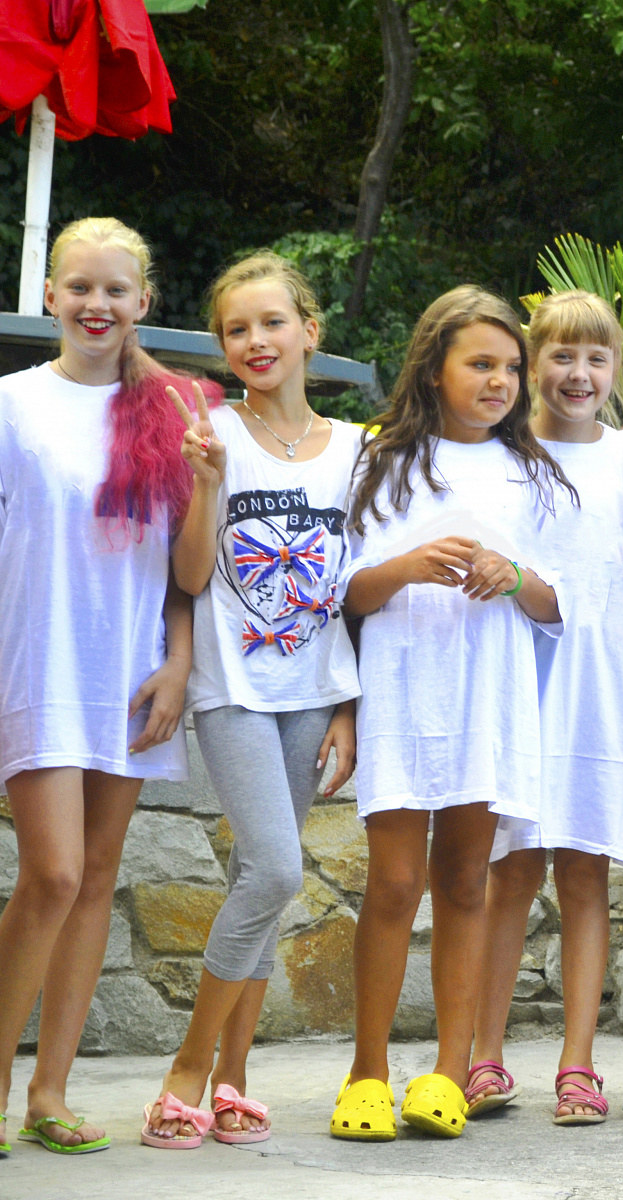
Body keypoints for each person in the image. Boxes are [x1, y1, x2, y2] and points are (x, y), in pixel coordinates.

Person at [329, 285, 573, 1141]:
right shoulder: (377, 463)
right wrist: (405, 567)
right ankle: (365, 1073)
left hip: (489, 694)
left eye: (511, 367)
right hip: (403, 688)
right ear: (434, 369)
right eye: (481, 364)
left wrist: (513, 576)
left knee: (467, 880)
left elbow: (556, 602)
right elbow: (347, 591)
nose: (500, 381)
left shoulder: (533, 469)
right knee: (395, 882)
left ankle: (447, 1069)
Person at [142, 254, 360, 1149]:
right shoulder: (209, 432)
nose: (256, 341)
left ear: (310, 330)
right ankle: (189, 1069)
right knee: (274, 869)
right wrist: (201, 484)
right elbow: (191, 575)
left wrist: (349, 709)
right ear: (223, 347)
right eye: (237, 329)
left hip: (314, 687)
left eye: (272, 322)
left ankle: (233, 1080)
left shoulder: (358, 449)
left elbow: (350, 588)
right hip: (232, 687)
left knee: (253, 883)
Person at [0, 217, 203, 1155]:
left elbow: (184, 570)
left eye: (116, 290)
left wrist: (178, 661)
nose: (97, 305)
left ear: (144, 303)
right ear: (49, 295)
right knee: (52, 873)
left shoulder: (173, 413)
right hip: (37, 660)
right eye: (79, 287)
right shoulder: (12, 404)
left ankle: (49, 1095)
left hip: (131, 673)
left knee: (96, 881)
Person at [467, 290, 623, 1125]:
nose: (578, 373)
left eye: (596, 357)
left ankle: (578, 1064)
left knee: (585, 876)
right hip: (516, 692)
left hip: (599, 696)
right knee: (507, 877)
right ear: (530, 362)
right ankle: (483, 1056)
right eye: (560, 356)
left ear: (615, 369)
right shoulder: (498, 455)